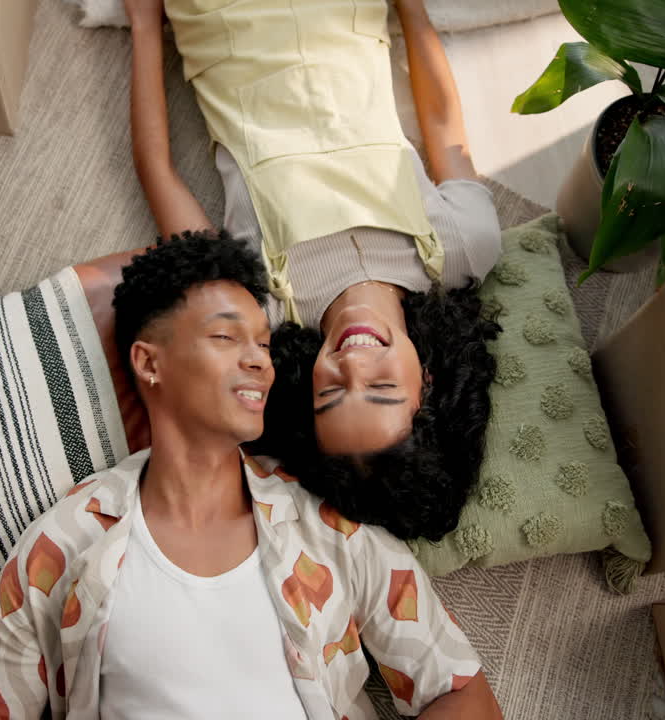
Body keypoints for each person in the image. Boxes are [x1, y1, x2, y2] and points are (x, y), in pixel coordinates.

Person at [0, 232, 502, 719]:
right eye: (226, 338)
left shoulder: (330, 527)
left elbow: (460, 692)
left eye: (263, 344)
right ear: (150, 364)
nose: (260, 361)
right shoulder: (63, 542)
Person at [124, 0, 501, 540]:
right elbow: (443, 127)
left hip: (225, 20)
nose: (350, 365)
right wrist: (411, 10)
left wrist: (143, 25)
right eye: (380, 387)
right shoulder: (465, 245)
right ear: (430, 386)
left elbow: (156, 170)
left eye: (331, 393)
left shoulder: (259, 303)